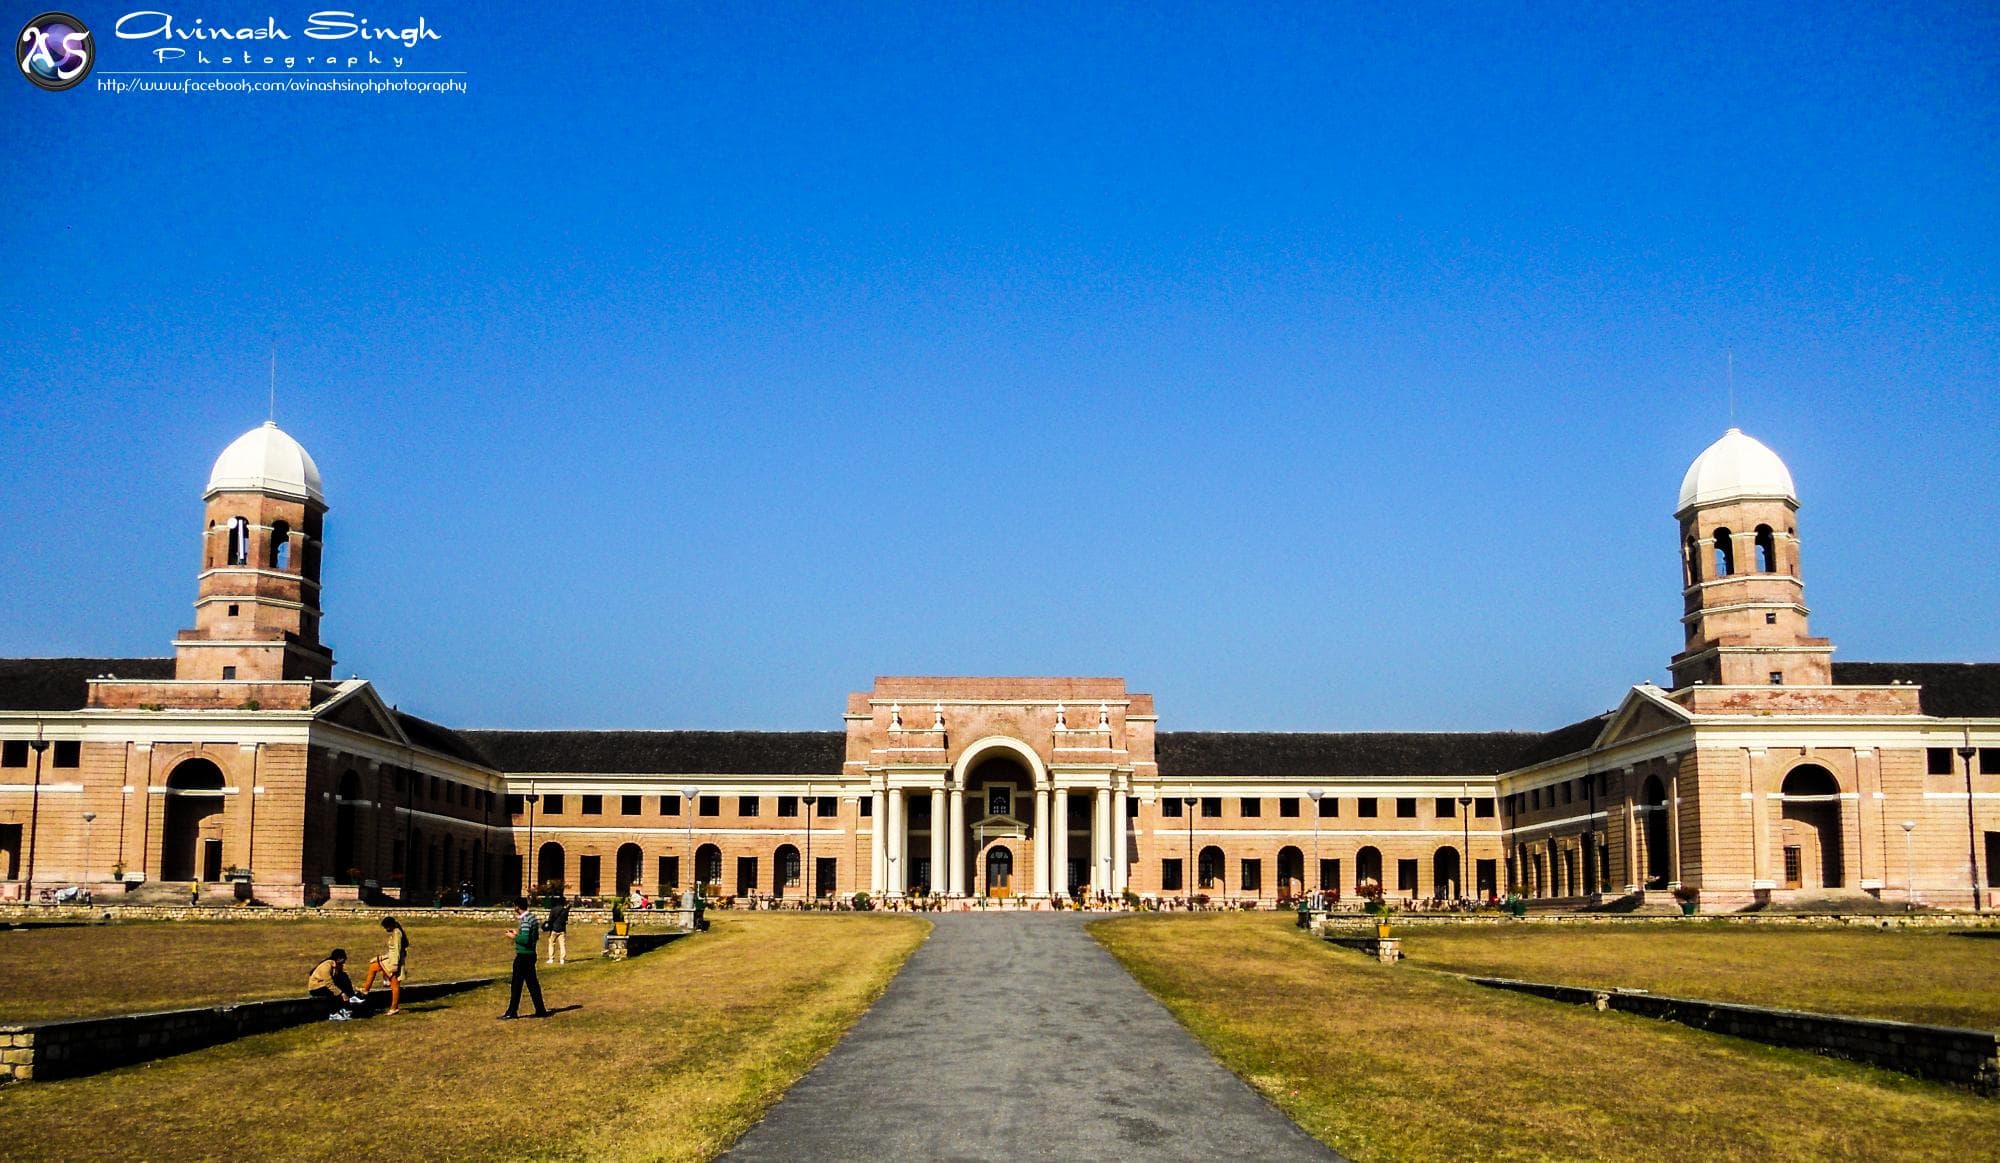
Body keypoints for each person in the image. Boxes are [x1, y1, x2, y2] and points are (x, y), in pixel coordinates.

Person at [499, 898, 548, 1020]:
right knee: (532, 984)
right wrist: (518, 934)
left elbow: (525, 940)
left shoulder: (525, 920)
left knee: (516, 984)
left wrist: (514, 937)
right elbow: (533, 936)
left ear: (517, 907)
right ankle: (540, 1009)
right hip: (531, 954)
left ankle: (512, 1011)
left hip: (523, 956)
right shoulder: (532, 918)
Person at [360, 916, 410, 1015]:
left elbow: (396, 951)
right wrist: (380, 958)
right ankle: (366, 989)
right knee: (373, 966)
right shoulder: (396, 933)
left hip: (394, 962)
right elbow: (392, 951)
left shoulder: (397, 934)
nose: (386, 930)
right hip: (390, 960)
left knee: (394, 984)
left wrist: (395, 965)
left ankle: (394, 1007)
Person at [308, 948, 366, 1021]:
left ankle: (351, 997)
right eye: (343, 959)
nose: (344, 962)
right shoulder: (326, 966)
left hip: (326, 985)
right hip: (316, 988)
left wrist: (355, 989)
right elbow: (329, 983)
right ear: (338, 958)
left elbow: (343, 980)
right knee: (333, 992)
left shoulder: (338, 965)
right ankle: (333, 1014)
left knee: (344, 976)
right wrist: (341, 993)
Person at [544, 894, 570, 965]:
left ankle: (551, 959)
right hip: (562, 929)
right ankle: (562, 959)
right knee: (562, 945)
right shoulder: (565, 911)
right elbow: (566, 920)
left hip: (554, 929)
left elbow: (550, 919)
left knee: (551, 944)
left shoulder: (553, 909)